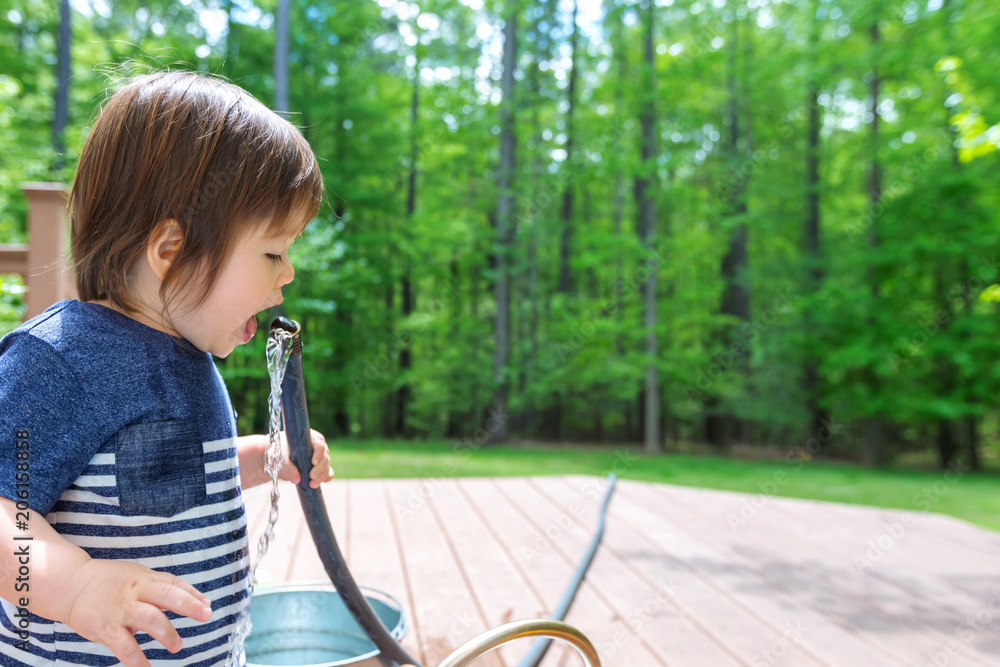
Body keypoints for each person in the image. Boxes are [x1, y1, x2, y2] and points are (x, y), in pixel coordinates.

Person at [0, 71, 333, 667]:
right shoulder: (59, 360)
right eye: (273, 252)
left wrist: (261, 458)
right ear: (171, 251)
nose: (288, 275)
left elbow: (162, 482)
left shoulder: (187, 357)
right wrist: (75, 587)